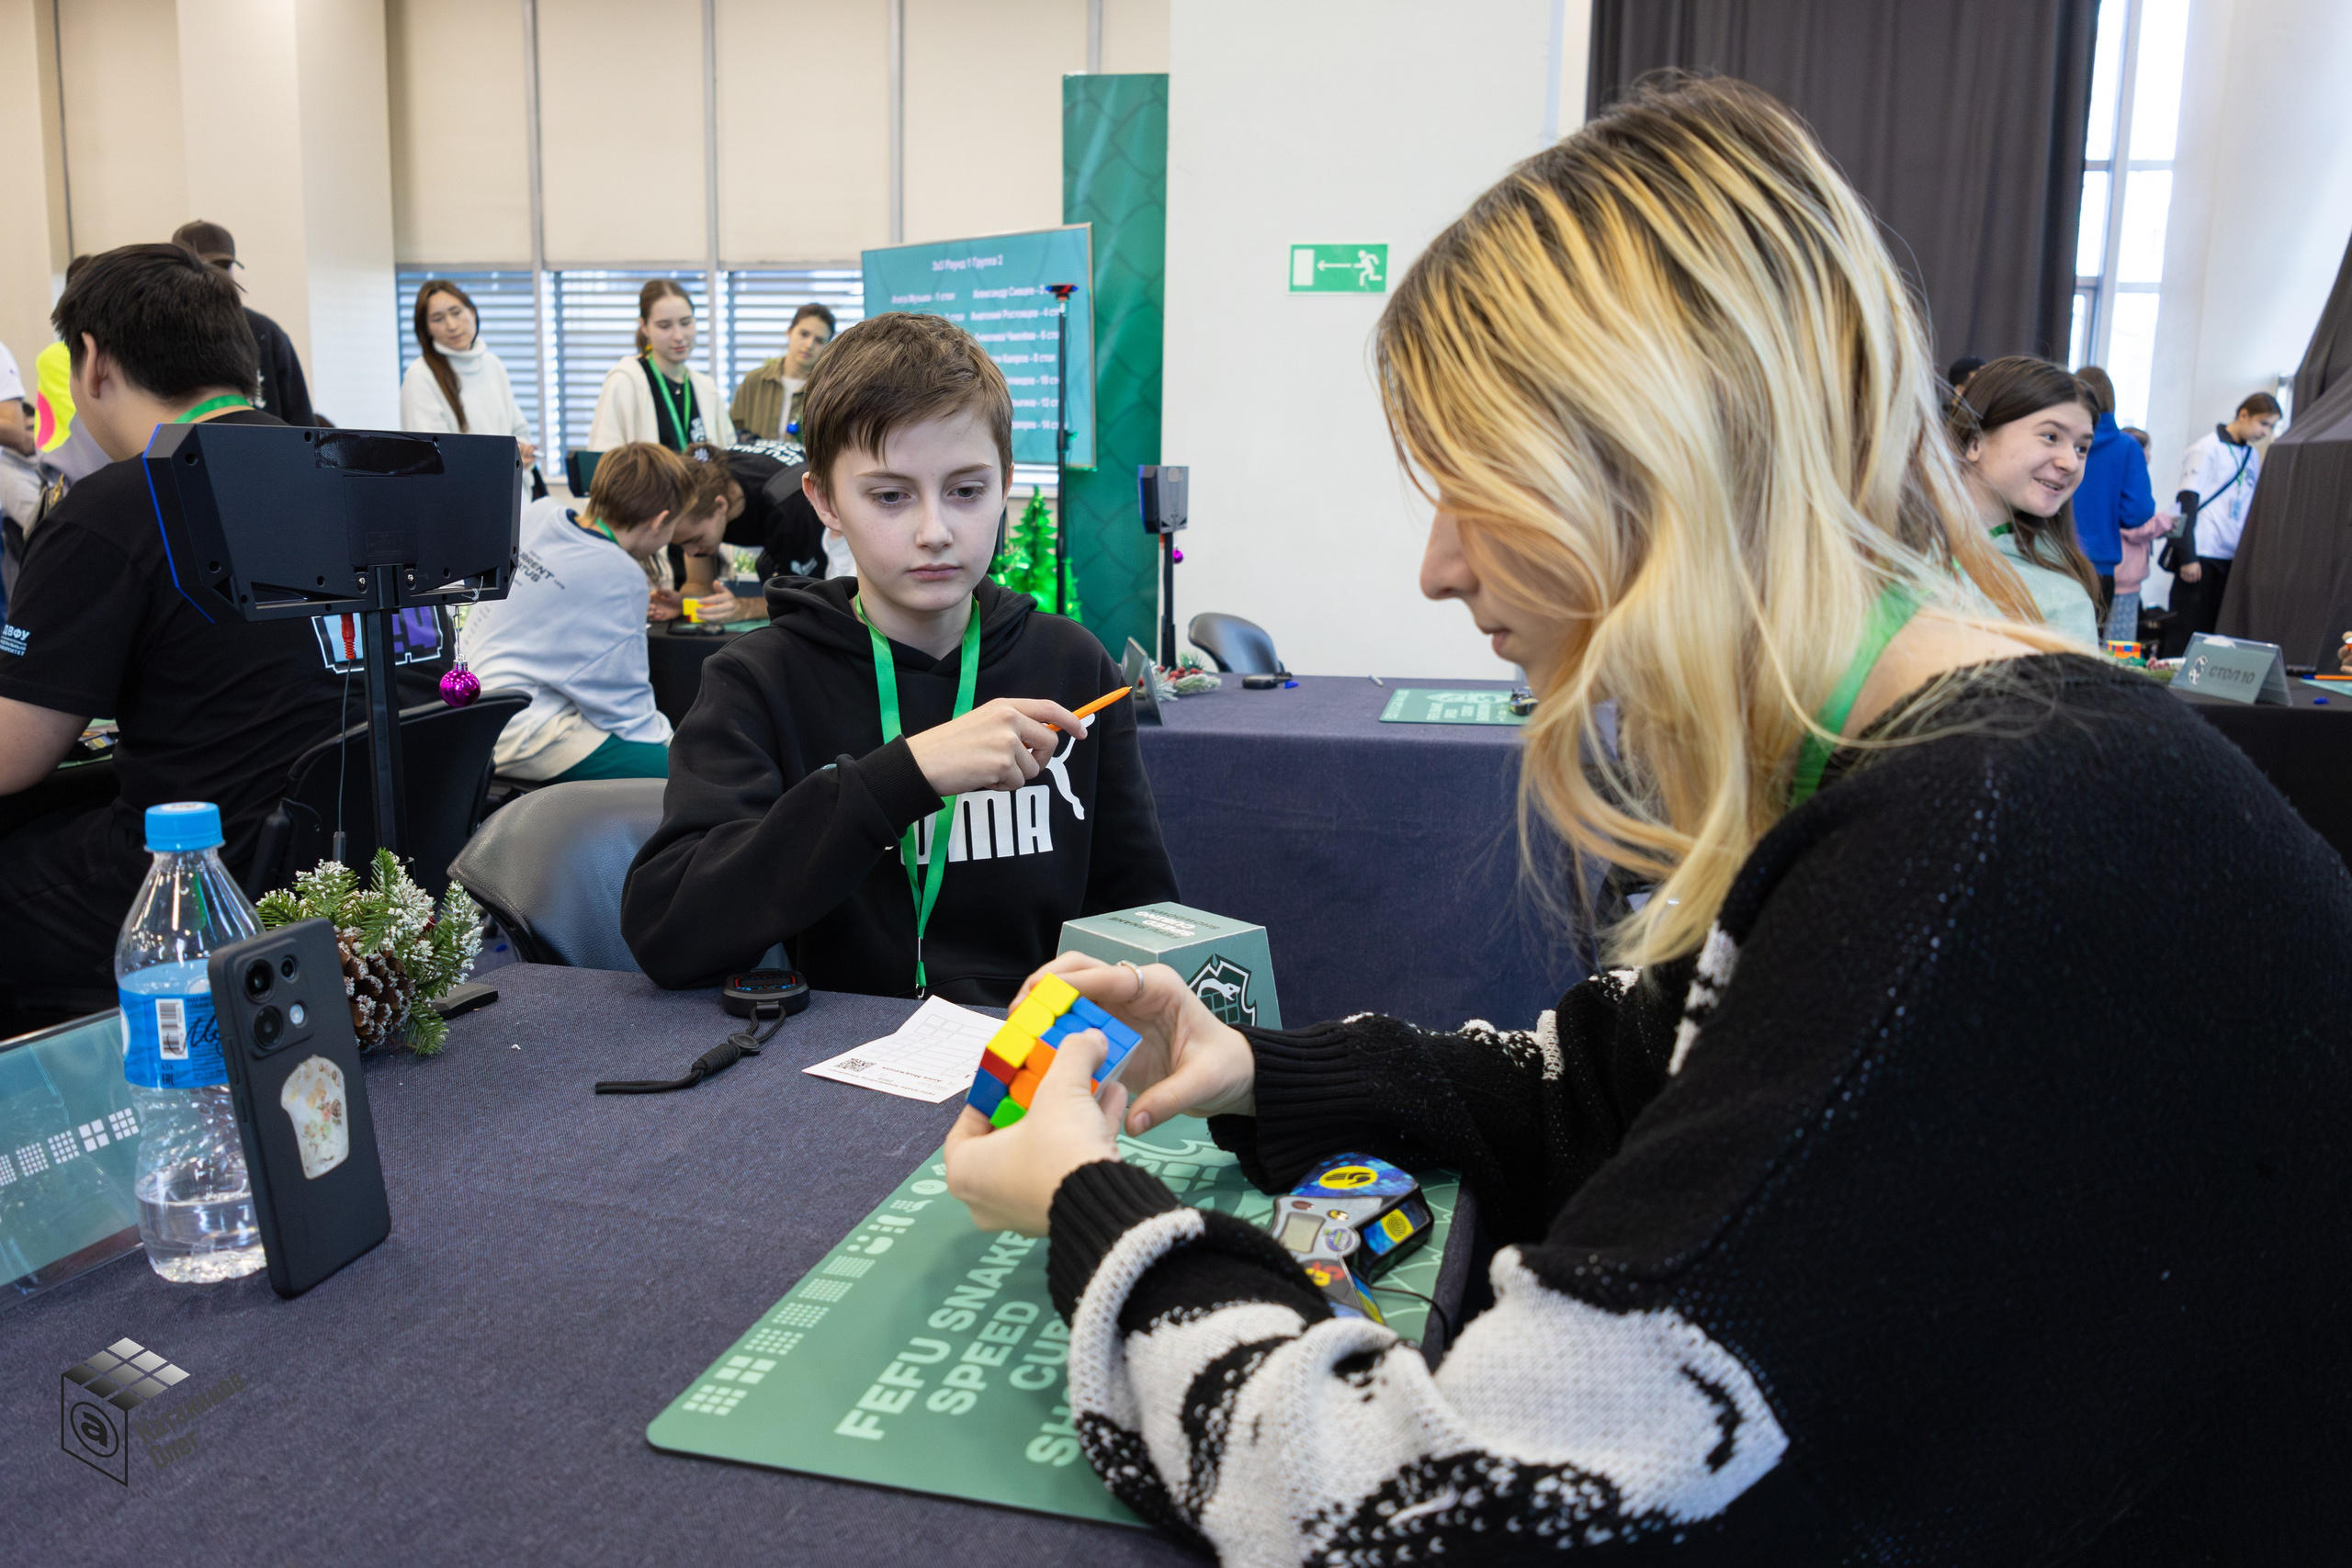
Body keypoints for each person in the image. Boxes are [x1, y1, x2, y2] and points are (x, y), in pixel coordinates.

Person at [937, 75, 2351, 1562]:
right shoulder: (1970, 763)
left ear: (1647, 460)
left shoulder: (1976, 843)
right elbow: (1619, 1084)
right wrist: (1251, 1068)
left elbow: (1435, 1521)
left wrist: (1095, 1212)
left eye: (1472, 490)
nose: (1435, 567)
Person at [621, 311, 1179, 1000]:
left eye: (967, 491)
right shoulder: (759, 679)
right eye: (890, 495)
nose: (935, 531)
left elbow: (1141, 914)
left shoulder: (1071, 664)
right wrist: (903, 775)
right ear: (824, 499)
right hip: (830, 1070)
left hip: (1033, 1067)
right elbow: (669, 931)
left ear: (1006, 481)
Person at [0, 244, 346, 1017]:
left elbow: (12, 754)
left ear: (92, 360)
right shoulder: (350, 478)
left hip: (205, 886)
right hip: (357, 868)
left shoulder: (118, 505)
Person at [458, 444, 688, 784]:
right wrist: (672, 742)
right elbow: (627, 711)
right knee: (687, 773)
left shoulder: (540, 513)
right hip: (518, 731)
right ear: (661, 521)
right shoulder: (621, 574)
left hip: (465, 703)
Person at [1949, 355, 2105, 647]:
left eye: (2082, 448)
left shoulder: (2061, 596)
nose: (2071, 462)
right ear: (1975, 441)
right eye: (2050, 436)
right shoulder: (1890, 538)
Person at [2161, 390, 2281, 654]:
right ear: (2243, 415)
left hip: (2230, 557)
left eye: (2271, 426)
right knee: (2185, 630)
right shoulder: (2207, 448)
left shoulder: (2251, 457)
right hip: (2201, 553)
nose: (2266, 432)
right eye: (2263, 423)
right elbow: (2186, 503)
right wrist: (2187, 555)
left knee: (2214, 637)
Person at [171, 220, 316, 425]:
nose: (215, 277)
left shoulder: (266, 332)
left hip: (268, 453)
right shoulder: (163, 332)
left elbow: (303, 423)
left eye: (223, 267)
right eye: (203, 268)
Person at [399, 279, 538, 479]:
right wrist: (502, 461)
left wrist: (522, 452)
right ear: (426, 329)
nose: (452, 325)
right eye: (438, 319)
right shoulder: (420, 375)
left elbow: (517, 429)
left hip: (510, 492)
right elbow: (432, 458)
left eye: (456, 312)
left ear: (471, 312)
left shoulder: (492, 364)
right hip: (461, 500)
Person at [586, 281, 734, 453]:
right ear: (644, 327)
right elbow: (604, 460)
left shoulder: (706, 388)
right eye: (664, 326)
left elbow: (728, 456)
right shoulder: (625, 381)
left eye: (686, 323)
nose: (678, 336)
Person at [2066, 366, 2154, 619]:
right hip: (2099, 564)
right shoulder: (2127, 447)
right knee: (2088, 649)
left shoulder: (2057, 440)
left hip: (2049, 555)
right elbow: (2138, 512)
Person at [642, 443, 743, 624]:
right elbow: (698, 584)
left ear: (721, 505)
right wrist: (686, 604)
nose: (690, 552)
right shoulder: (704, 498)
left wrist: (744, 608)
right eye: (681, 544)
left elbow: (807, 596)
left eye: (696, 539)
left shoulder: (786, 504)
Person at [729, 302, 836, 441]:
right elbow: (731, 434)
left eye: (819, 340)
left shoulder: (827, 392)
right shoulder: (754, 381)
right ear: (789, 332)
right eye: (804, 334)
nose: (809, 345)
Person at [2109, 426, 2166, 643]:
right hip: (2122, 577)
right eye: (2147, 450)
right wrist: (2163, 522)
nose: (2150, 456)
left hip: (2121, 576)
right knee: (2120, 644)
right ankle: (2120, 677)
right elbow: (2133, 524)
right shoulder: (2128, 480)